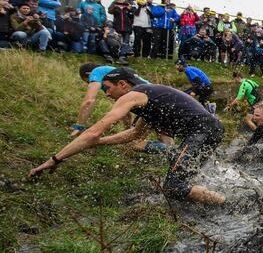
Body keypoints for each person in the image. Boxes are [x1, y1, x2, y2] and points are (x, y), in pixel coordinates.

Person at [29, 67, 225, 204]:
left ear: (122, 84)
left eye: (107, 87)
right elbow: (134, 134)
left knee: (174, 185)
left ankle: (227, 204)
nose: (106, 94)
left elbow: (94, 131)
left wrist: (55, 159)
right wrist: (96, 143)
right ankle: (218, 199)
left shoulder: (134, 95)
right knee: (180, 181)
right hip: (208, 130)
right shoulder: (149, 97)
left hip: (203, 130)